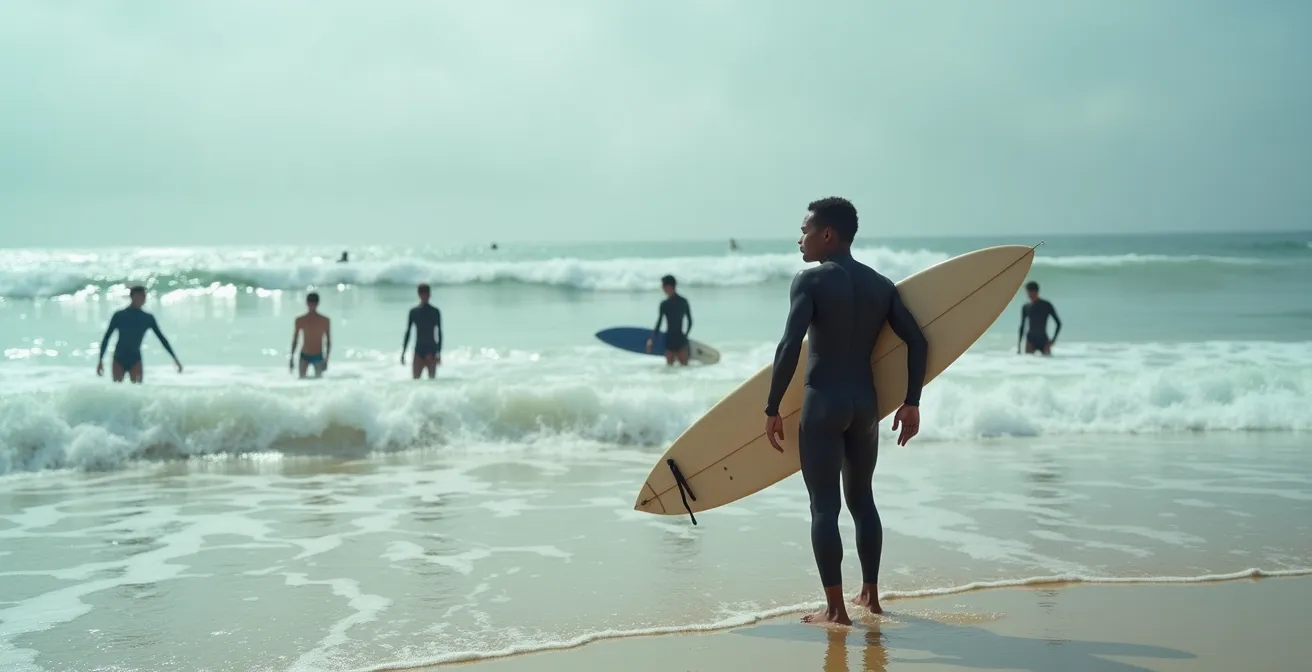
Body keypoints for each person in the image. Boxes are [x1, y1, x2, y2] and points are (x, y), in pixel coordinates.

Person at [763, 197, 928, 625]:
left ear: (827, 234)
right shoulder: (880, 285)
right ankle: (870, 597)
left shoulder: (810, 281)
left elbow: (788, 347)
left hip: (823, 404)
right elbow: (918, 341)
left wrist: (772, 405)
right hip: (864, 408)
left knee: (824, 508)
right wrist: (912, 401)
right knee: (862, 501)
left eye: (805, 230)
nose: (800, 238)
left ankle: (836, 610)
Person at [96, 285, 183, 383]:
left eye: (144, 296)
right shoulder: (119, 315)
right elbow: (107, 337)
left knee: (137, 390)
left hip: (135, 358)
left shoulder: (147, 318)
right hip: (119, 357)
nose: (144, 299)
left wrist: (174, 358)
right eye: (141, 296)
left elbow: (161, 338)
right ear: (132, 297)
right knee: (117, 390)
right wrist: (100, 360)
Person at [646, 274, 693, 366]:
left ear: (669, 286)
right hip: (681, 340)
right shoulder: (684, 301)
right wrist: (685, 336)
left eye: (663, 286)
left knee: (670, 371)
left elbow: (659, 323)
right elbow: (690, 322)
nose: (662, 288)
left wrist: (652, 340)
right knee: (685, 370)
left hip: (670, 340)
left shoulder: (664, 304)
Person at [401, 283, 443, 379]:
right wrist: (403, 352)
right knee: (415, 381)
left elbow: (439, 333)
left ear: (430, 295)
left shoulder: (435, 312)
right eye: (423, 294)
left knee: (432, 381)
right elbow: (408, 332)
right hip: (418, 349)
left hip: (431, 350)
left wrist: (439, 353)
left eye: (427, 294)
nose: (425, 296)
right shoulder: (414, 312)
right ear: (419, 295)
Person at [290, 292, 331, 378]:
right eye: (310, 303)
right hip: (305, 355)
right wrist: (292, 357)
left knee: (319, 382)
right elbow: (295, 339)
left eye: (314, 303)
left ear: (317, 304)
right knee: (301, 381)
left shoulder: (325, 320)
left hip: (318, 355)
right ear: (307, 303)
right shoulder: (300, 320)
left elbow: (328, 341)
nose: (312, 306)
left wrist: (326, 359)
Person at [1017, 281, 1061, 356]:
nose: (1029, 295)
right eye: (1028, 292)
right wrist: (1019, 345)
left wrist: (1053, 340)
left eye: (1030, 292)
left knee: (1048, 363)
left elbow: (1058, 323)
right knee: (1028, 363)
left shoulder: (1046, 305)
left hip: (1043, 340)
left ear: (1036, 292)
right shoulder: (1026, 307)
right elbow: (1022, 326)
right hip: (1030, 340)